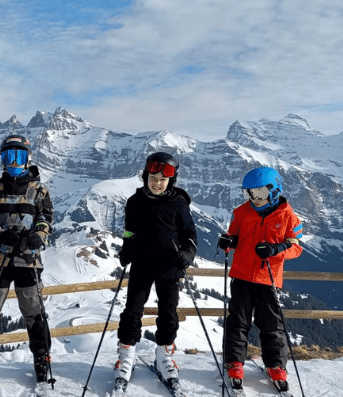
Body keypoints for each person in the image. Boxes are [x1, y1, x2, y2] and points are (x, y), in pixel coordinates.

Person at [0, 134, 54, 385]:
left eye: (19, 156)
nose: (14, 161)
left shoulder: (39, 191)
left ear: (28, 159)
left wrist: (38, 236)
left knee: (34, 311)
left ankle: (42, 356)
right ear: (2, 160)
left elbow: (46, 220)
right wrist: (1, 236)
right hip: (0, 259)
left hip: (28, 260)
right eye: (9, 156)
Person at [217, 166, 304, 393]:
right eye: (249, 194)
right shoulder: (241, 212)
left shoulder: (288, 216)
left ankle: (276, 365)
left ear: (274, 190)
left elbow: (296, 248)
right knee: (238, 321)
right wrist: (228, 242)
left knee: (271, 324)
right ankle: (234, 362)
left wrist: (277, 249)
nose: (255, 199)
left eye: (260, 194)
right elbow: (234, 235)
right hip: (242, 275)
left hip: (269, 278)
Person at [114, 152, 197, 386]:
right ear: (145, 176)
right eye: (153, 176)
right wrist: (126, 249)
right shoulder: (135, 202)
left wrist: (187, 254)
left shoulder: (179, 204)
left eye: (163, 178)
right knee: (132, 311)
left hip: (169, 267)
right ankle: (126, 356)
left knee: (169, 314)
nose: (157, 182)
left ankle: (164, 356)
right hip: (142, 264)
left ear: (171, 180)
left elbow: (190, 235)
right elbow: (129, 231)